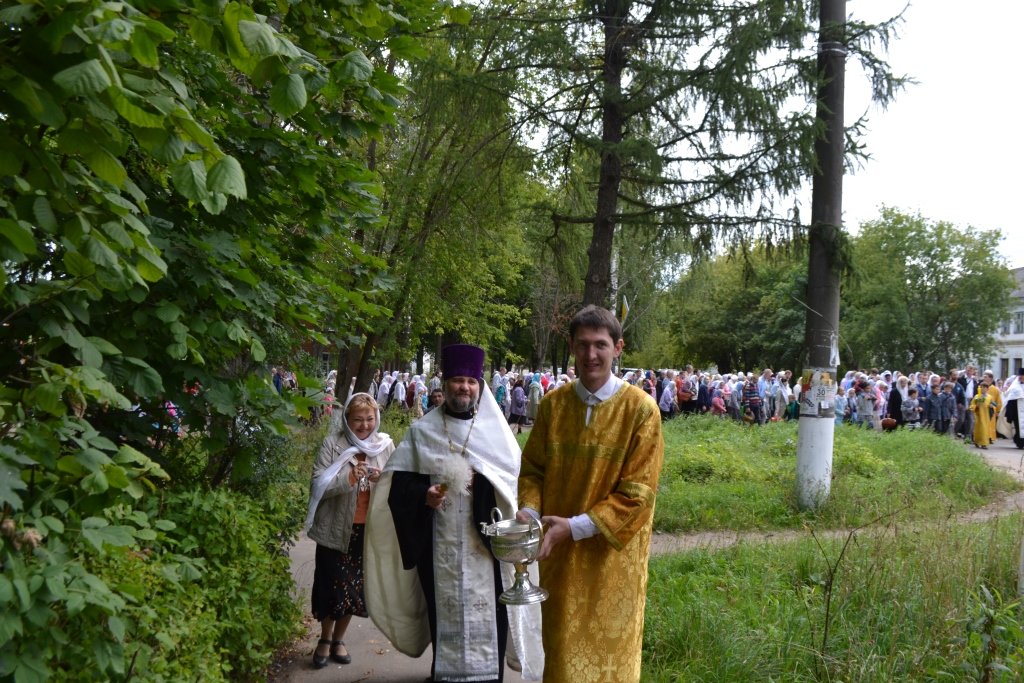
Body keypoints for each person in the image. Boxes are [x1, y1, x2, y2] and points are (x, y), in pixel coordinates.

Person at [364, 344, 542, 682]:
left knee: (492, 621)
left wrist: (482, 487)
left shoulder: (497, 434)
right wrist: (423, 496)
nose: (465, 387)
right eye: (458, 380)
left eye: (471, 381)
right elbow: (398, 489)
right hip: (438, 552)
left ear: (480, 387)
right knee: (444, 623)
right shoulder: (422, 432)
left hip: (486, 551)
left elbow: (512, 490)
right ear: (445, 385)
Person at [516, 305, 664, 683]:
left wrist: (575, 527)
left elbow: (638, 494)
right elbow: (533, 470)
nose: (591, 354)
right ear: (571, 346)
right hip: (559, 560)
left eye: (600, 345)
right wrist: (529, 513)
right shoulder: (553, 406)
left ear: (618, 348)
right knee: (562, 658)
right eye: (582, 345)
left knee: (610, 663)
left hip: (611, 564)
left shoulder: (641, 410)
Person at [304, 393, 395, 669]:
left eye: (369, 419)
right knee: (330, 586)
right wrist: (348, 478)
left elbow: (397, 483)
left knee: (353, 589)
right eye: (358, 419)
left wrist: (382, 478)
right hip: (334, 530)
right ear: (347, 420)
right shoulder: (333, 444)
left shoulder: (385, 446)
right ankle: (325, 638)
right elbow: (318, 486)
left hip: (367, 532)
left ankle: (339, 639)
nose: (365, 425)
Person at [969, 371, 1000, 449]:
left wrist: (992, 406)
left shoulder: (989, 397)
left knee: (985, 429)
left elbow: (994, 404)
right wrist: (975, 406)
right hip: (978, 415)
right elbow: (972, 405)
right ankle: (977, 441)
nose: (983, 389)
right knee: (978, 429)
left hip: (986, 416)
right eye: (981, 388)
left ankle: (984, 443)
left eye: (984, 388)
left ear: (987, 389)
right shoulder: (977, 396)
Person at [1003, 368, 1024, 448]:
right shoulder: (1015, 386)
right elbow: (1010, 398)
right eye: (1020, 376)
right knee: (1018, 427)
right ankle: (1020, 442)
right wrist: (1010, 413)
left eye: (1022, 376)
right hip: (1017, 412)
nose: (1020, 377)